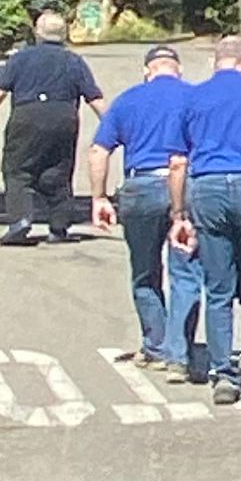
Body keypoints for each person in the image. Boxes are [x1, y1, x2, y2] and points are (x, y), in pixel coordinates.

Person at [166, 41, 241, 408]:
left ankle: (224, 374)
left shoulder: (193, 97)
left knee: (217, 287)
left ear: (214, 63)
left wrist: (179, 213)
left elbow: (177, 161)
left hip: (207, 187)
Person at [88, 44, 204, 375]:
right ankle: (179, 353)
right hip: (185, 185)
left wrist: (99, 198)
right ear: (178, 69)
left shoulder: (127, 100)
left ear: (147, 71)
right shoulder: (195, 98)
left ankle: (155, 345)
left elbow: (99, 151)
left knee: (145, 272)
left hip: (140, 188)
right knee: (186, 273)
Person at [0, 7, 102, 245]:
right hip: (63, 117)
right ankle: (58, 227)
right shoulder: (74, 61)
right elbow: (93, 97)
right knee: (58, 171)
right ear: (64, 34)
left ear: (37, 32)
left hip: (28, 115)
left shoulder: (20, 58)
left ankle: (20, 220)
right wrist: (111, 124)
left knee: (17, 170)